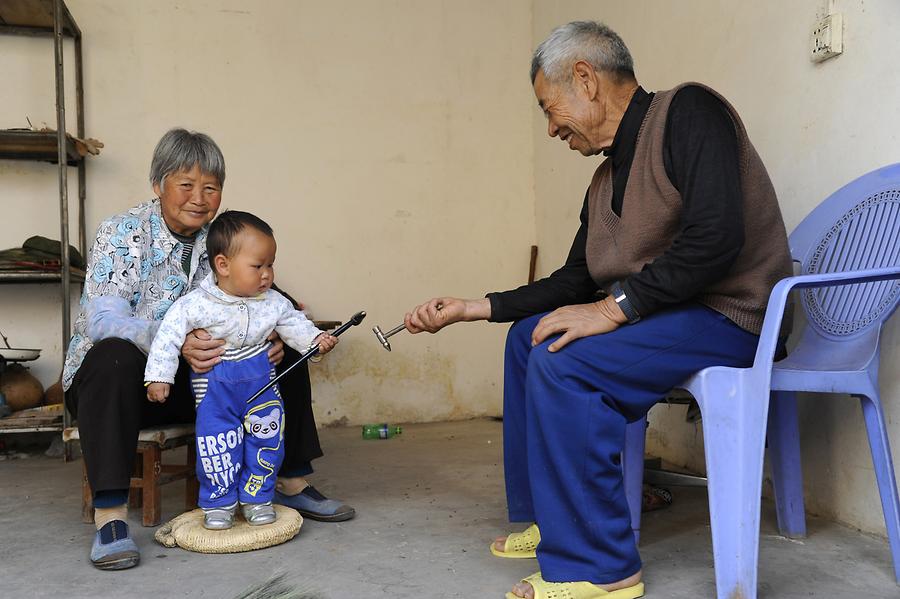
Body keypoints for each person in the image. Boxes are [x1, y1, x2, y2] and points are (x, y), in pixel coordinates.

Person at [405, 21, 792, 599]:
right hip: (673, 314)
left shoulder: (689, 111)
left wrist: (613, 311)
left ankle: (602, 570)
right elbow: (575, 279)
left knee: (568, 361)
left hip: (733, 317)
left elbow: (716, 237)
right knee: (529, 338)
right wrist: (475, 307)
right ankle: (554, 522)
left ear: (584, 79)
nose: (550, 126)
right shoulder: (605, 176)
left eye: (548, 106)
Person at [64, 128, 354, 571]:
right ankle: (110, 517)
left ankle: (290, 481)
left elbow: (276, 300)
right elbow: (103, 322)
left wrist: (273, 334)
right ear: (158, 183)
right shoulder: (122, 232)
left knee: (286, 346)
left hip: (203, 384)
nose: (199, 198)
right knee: (113, 355)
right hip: (119, 388)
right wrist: (177, 342)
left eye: (211, 188)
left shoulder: (220, 239)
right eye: (186, 185)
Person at [144, 210, 338, 530]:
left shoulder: (273, 302)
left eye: (270, 265)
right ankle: (218, 503)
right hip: (216, 389)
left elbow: (293, 324)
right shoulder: (195, 305)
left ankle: (257, 498)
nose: (266, 274)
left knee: (267, 443)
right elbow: (167, 337)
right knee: (219, 445)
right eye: (257, 266)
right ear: (223, 265)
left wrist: (315, 339)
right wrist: (159, 376)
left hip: (262, 385)